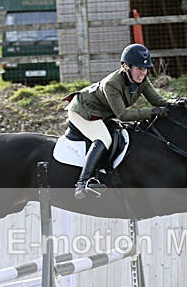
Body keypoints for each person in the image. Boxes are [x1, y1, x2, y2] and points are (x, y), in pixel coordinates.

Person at [66, 43, 170, 199]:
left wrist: (180, 103)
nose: (143, 73)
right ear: (126, 67)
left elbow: (157, 100)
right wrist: (152, 112)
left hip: (103, 113)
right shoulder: (112, 84)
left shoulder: (142, 80)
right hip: (83, 111)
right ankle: (83, 183)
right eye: (139, 68)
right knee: (103, 138)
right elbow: (123, 115)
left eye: (145, 68)